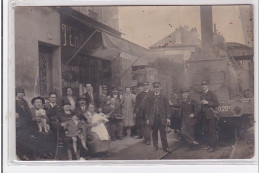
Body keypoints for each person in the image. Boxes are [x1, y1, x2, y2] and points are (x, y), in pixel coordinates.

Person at [145, 82, 171, 152]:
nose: (156, 89)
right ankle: (155, 147)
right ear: (153, 89)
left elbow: (167, 108)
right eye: (155, 88)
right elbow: (147, 109)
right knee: (154, 132)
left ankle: (165, 147)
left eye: (157, 87)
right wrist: (147, 118)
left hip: (161, 118)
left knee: (163, 133)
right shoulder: (150, 97)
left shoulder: (164, 97)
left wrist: (168, 118)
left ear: (160, 88)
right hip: (153, 118)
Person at [200, 80, 219, 153]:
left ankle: (213, 147)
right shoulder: (202, 95)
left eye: (205, 85)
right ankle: (209, 145)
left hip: (211, 115)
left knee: (212, 131)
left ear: (208, 86)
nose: (203, 86)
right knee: (207, 131)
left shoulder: (212, 93)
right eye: (202, 85)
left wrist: (207, 102)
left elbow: (216, 104)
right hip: (204, 116)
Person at [15, 87, 34, 160]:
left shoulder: (24, 102)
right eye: (20, 92)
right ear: (16, 93)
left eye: (22, 92)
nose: (22, 94)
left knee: (27, 139)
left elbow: (28, 112)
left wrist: (29, 121)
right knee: (20, 139)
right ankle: (21, 155)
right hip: (19, 124)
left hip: (26, 123)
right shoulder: (14, 102)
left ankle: (28, 155)